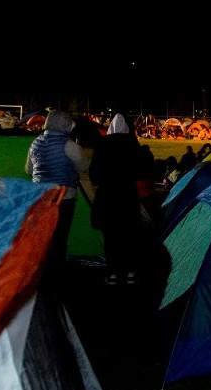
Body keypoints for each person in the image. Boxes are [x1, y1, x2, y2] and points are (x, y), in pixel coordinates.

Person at [25, 109, 90, 289]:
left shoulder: (35, 143)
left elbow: (29, 170)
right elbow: (84, 167)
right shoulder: (69, 145)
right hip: (64, 196)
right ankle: (56, 277)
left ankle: (41, 274)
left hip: (40, 197)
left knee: (44, 236)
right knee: (60, 238)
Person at [88, 113, 147, 286]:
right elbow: (141, 171)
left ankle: (113, 272)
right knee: (129, 235)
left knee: (111, 236)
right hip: (127, 196)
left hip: (108, 196)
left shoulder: (102, 145)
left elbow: (94, 176)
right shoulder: (132, 145)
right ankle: (130, 272)